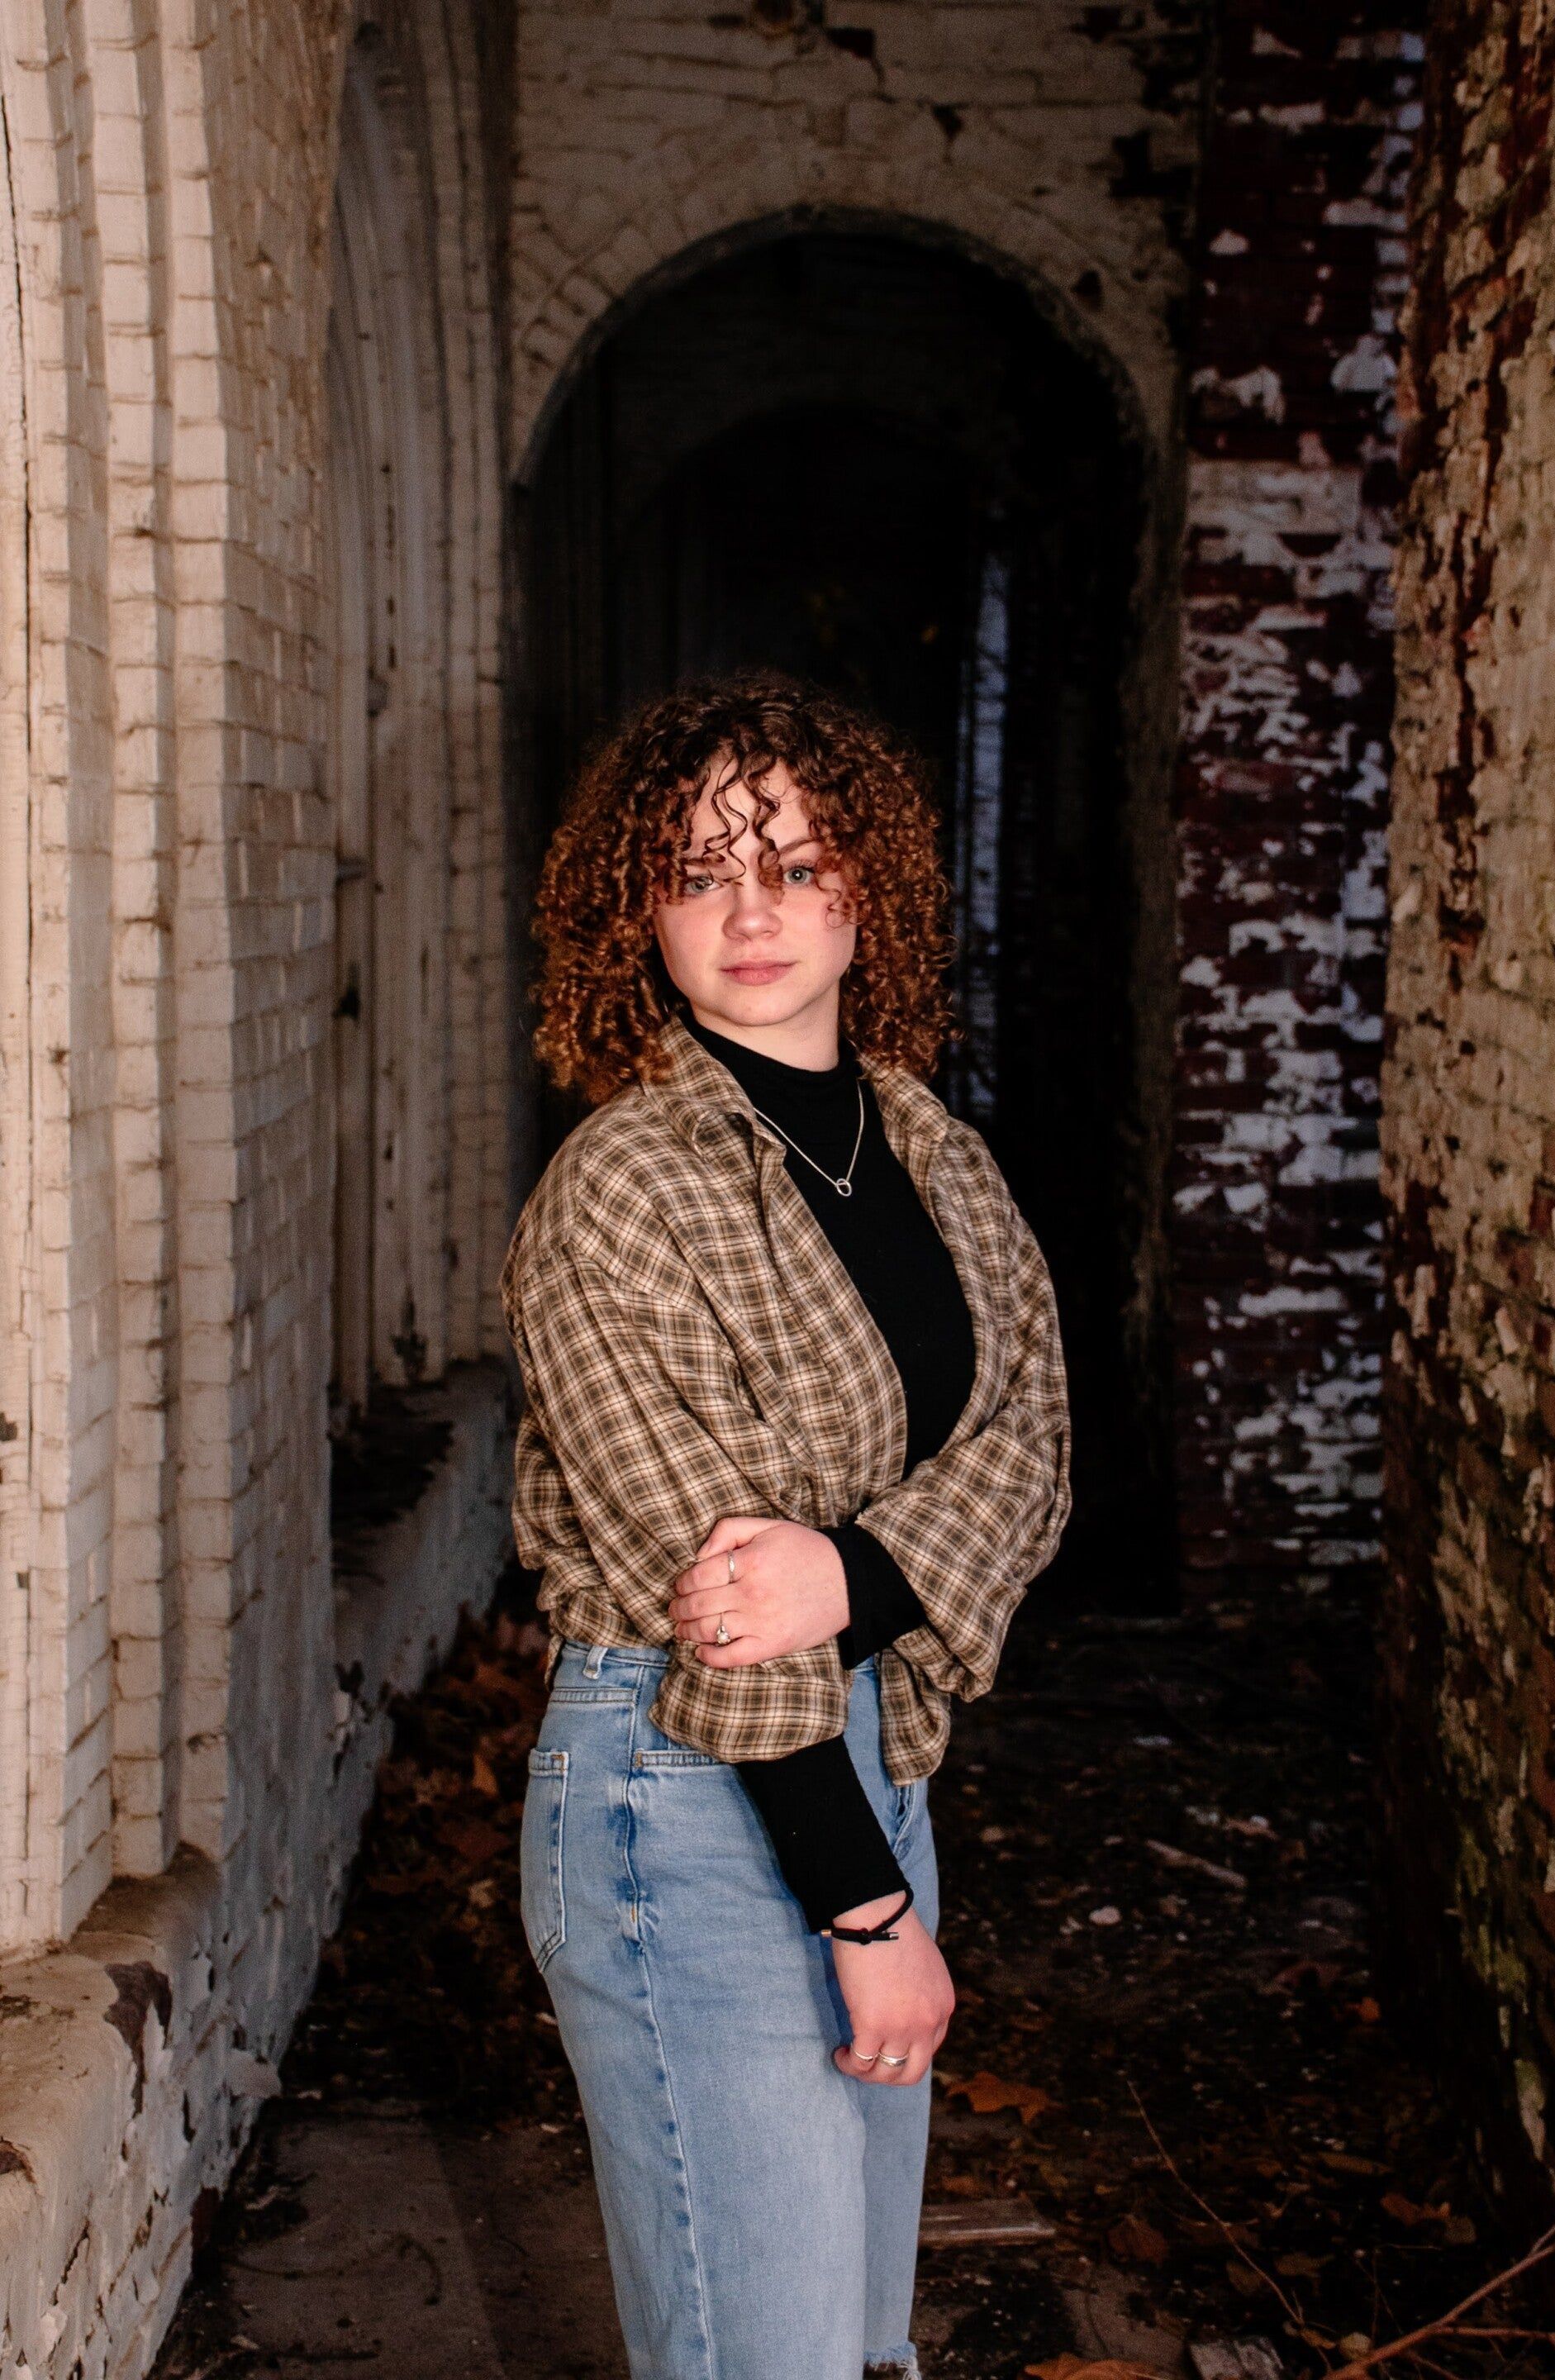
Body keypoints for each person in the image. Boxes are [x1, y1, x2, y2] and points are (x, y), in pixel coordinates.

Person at [500, 673, 1071, 2380]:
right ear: (638, 914)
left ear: (862, 898)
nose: (752, 914)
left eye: (797, 866)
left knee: (857, 2342)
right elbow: (716, 1601)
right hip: (681, 1797)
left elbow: (1033, 1449)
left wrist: (857, 1570)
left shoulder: (937, 1157)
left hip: (878, 1765)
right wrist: (867, 1914)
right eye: (700, 873)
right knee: (775, 2353)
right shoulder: (616, 1191)